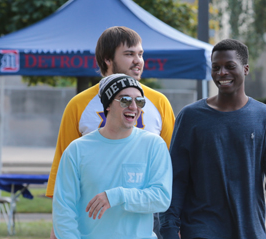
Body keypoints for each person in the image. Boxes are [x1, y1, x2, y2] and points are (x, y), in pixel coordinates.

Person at [47, 26, 175, 238]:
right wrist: (57, 229)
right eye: (129, 54)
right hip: (92, 217)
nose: (138, 61)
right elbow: (64, 172)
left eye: (140, 54)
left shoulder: (159, 102)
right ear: (107, 59)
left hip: (148, 217)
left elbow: (171, 168)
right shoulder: (78, 105)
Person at [160, 39, 266, 239]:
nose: (222, 72)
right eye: (216, 67)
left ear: (246, 69)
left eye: (230, 66)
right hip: (199, 229)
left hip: (250, 231)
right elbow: (176, 179)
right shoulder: (190, 117)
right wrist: (169, 229)